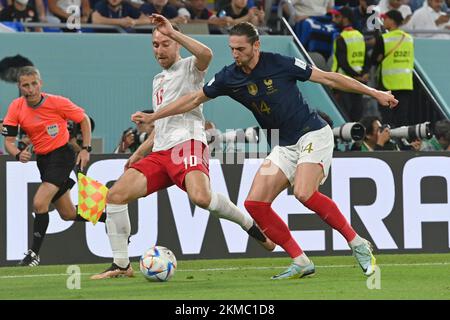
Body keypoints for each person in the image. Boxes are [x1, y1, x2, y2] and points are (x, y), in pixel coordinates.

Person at [132, 22, 399, 280]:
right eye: (232, 49)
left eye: (241, 49)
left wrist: (374, 92)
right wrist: (155, 117)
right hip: (284, 144)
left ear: (256, 46)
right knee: (255, 204)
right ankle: (300, 261)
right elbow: (192, 99)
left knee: (304, 192)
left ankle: (358, 243)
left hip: (312, 133)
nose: (235, 55)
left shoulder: (279, 63)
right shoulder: (229, 76)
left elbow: (329, 78)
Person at [91, 15, 275, 280]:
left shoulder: (190, 67)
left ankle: (248, 223)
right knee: (115, 196)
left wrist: (173, 32)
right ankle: (121, 265)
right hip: (161, 152)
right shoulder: (157, 80)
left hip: (187, 143)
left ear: (176, 45)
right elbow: (161, 124)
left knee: (201, 198)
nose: (159, 50)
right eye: (155, 45)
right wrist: (139, 152)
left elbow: (206, 53)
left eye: (165, 44)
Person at [1, 66, 105, 267]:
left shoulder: (57, 102)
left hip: (62, 154)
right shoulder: (16, 107)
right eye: (25, 85)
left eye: (34, 84)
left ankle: (33, 254)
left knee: (39, 203)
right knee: (68, 214)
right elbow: (9, 141)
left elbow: (83, 119)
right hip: (44, 160)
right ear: (19, 87)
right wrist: (17, 153)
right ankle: (109, 217)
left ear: (41, 83)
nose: (31, 89)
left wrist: (86, 148)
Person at [371, 10, 414, 127]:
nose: (383, 21)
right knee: (402, 117)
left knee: (387, 118)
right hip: (406, 83)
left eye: (385, 18)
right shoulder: (409, 38)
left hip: (388, 84)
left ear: (392, 21)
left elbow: (374, 60)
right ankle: (404, 142)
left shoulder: (384, 39)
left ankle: (388, 142)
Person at [331, 6, 370, 122]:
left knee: (344, 115)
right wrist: (364, 73)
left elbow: (343, 62)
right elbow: (366, 58)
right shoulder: (359, 36)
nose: (334, 19)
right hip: (359, 81)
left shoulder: (341, 38)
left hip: (343, 81)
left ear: (345, 19)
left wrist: (354, 75)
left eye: (337, 16)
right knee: (357, 113)